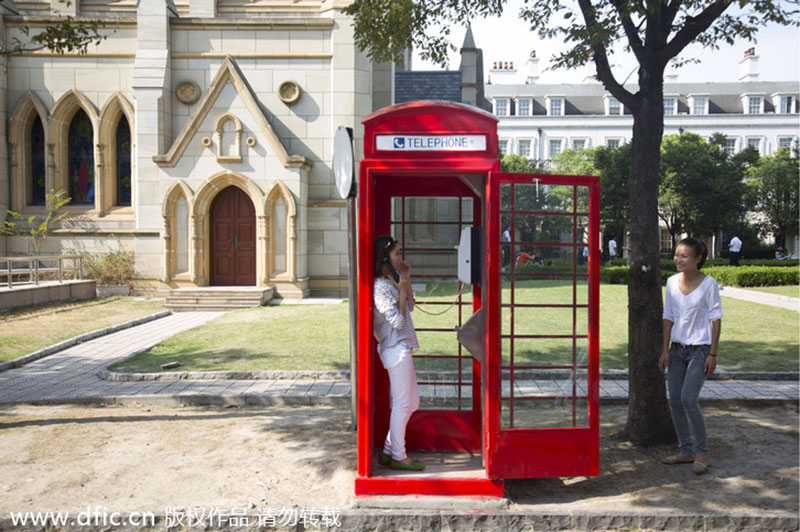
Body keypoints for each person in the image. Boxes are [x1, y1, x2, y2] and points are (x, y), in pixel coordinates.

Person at [659, 237, 722, 475]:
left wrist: (712, 354)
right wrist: (664, 350)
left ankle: (702, 452)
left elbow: (716, 320)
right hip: (677, 350)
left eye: (684, 256)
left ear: (698, 259)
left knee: (688, 399)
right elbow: (668, 317)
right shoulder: (672, 282)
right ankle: (685, 450)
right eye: (677, 254)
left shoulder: (709, 284)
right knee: (674, 400)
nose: (678, 259)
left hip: (700, 350)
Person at [373, 235, 425, 471]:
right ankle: (399, 456)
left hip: (402, 347)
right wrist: (401, 291)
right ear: (384, 258)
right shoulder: (380, 287)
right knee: (404, 404)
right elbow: (397, 323)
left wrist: (406, 280)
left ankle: (387, 451)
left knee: (412, 402)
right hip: (395, 348)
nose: (400, 257)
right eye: (396, 254)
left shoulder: (390, 281)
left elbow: (411, 306)